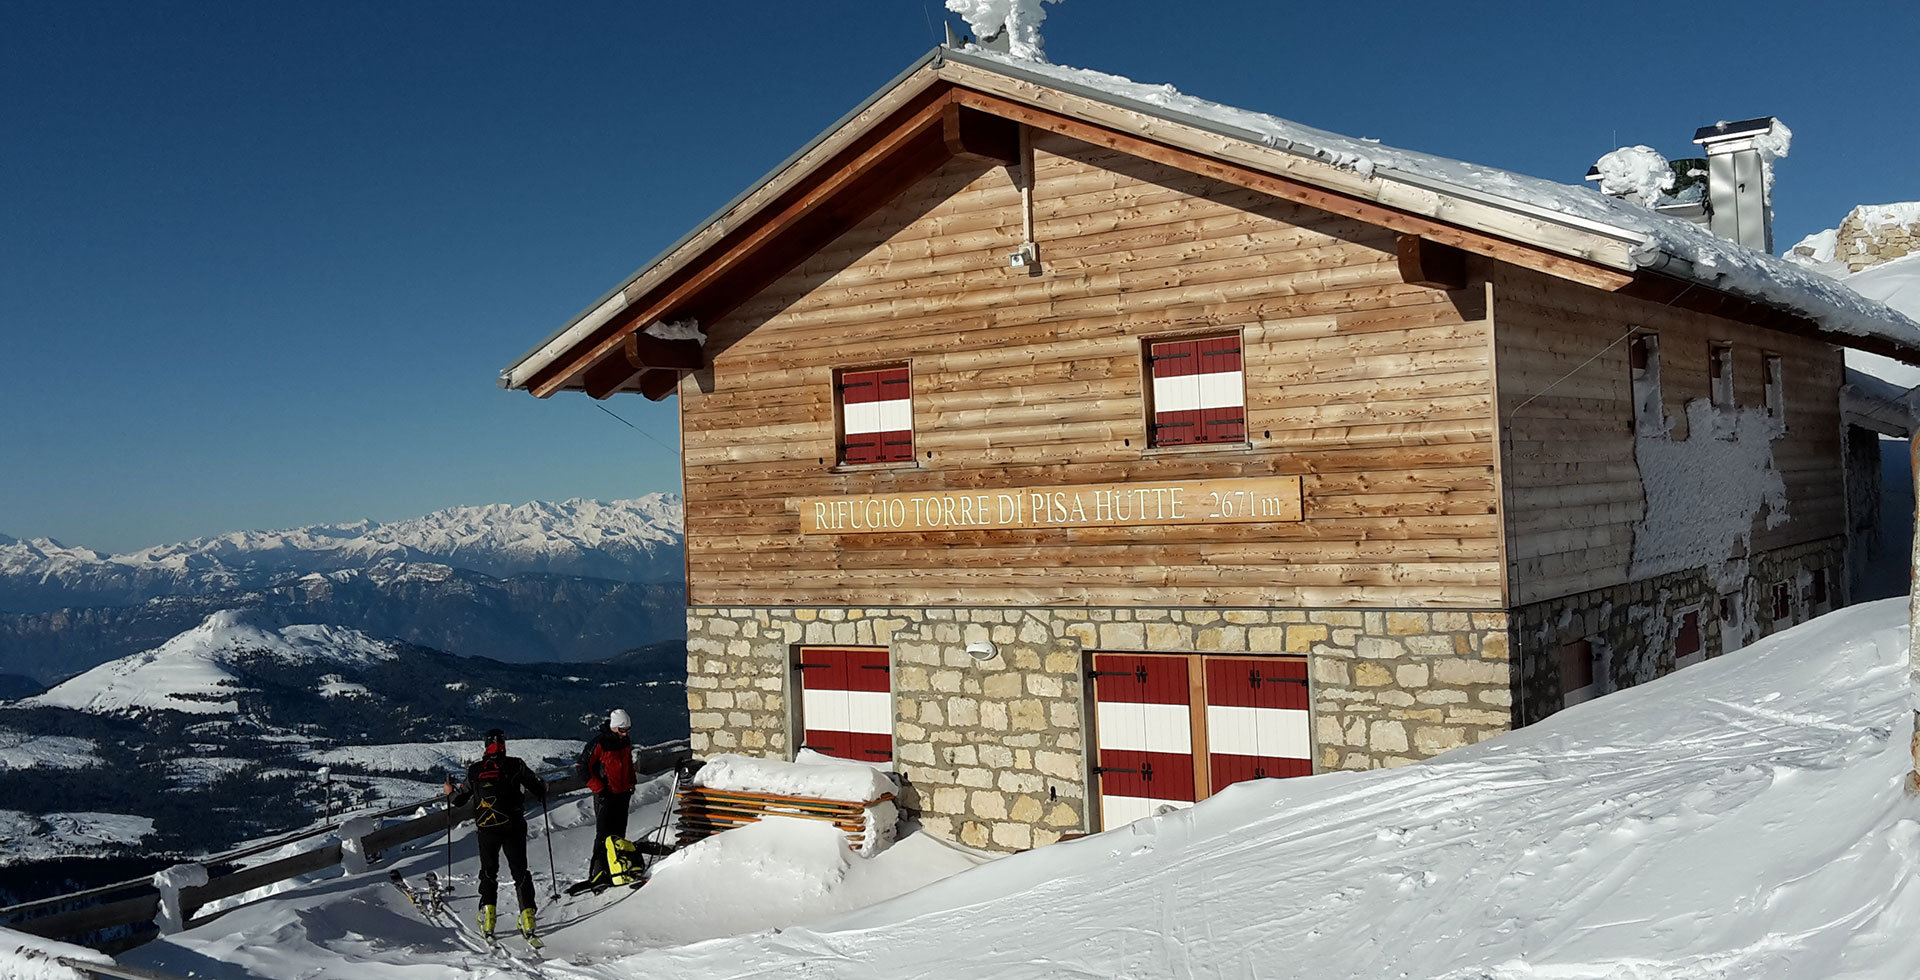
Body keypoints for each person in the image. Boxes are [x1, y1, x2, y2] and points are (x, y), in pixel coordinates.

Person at [444, 728, 546, 940]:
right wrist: (542, 787)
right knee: (520, 871)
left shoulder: (475, 771)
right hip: (514, 825)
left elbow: (459, 799)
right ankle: (528, 917)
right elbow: (538, 788)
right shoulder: (516, 765)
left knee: (489, 871)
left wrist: (449, 792)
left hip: (486, 829)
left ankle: (488, 917)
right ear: (503, 745)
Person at [575, 708, 636, 891]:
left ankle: (616, 867)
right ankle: (598, 872)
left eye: (627, 730)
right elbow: (582, 767)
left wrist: (632, 781)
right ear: (614, 727)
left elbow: (628, 764)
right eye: (622, 730)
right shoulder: (600, 743)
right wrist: (599, 788)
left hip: (623, 793)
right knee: (603, 835)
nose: (625, 733)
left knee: (619, 833)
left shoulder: (624, 741)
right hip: (605, 795)